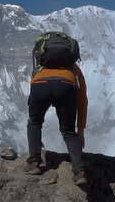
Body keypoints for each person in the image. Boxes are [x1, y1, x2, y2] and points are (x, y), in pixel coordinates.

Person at [24, 32, 88, 186]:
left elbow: (33, 88)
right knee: (68, 131)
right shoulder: (74, 70)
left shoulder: (39, 68)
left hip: (40, 84)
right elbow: (82, 100)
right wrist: (80, 129)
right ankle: (79, 172)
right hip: (66, 85)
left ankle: (34, 162)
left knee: (35, 122)